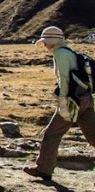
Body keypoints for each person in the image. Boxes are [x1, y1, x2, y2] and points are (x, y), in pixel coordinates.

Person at [24, 26, 95, 181]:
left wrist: (62, 101)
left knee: (51, 134)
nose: (44, 45)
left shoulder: (60, 54)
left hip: (72, 100)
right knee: (93, 136)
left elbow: (64, 79)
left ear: (51, 41)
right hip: (86, 98)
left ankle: (44, 169)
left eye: (45, 41)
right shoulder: (70, 52)